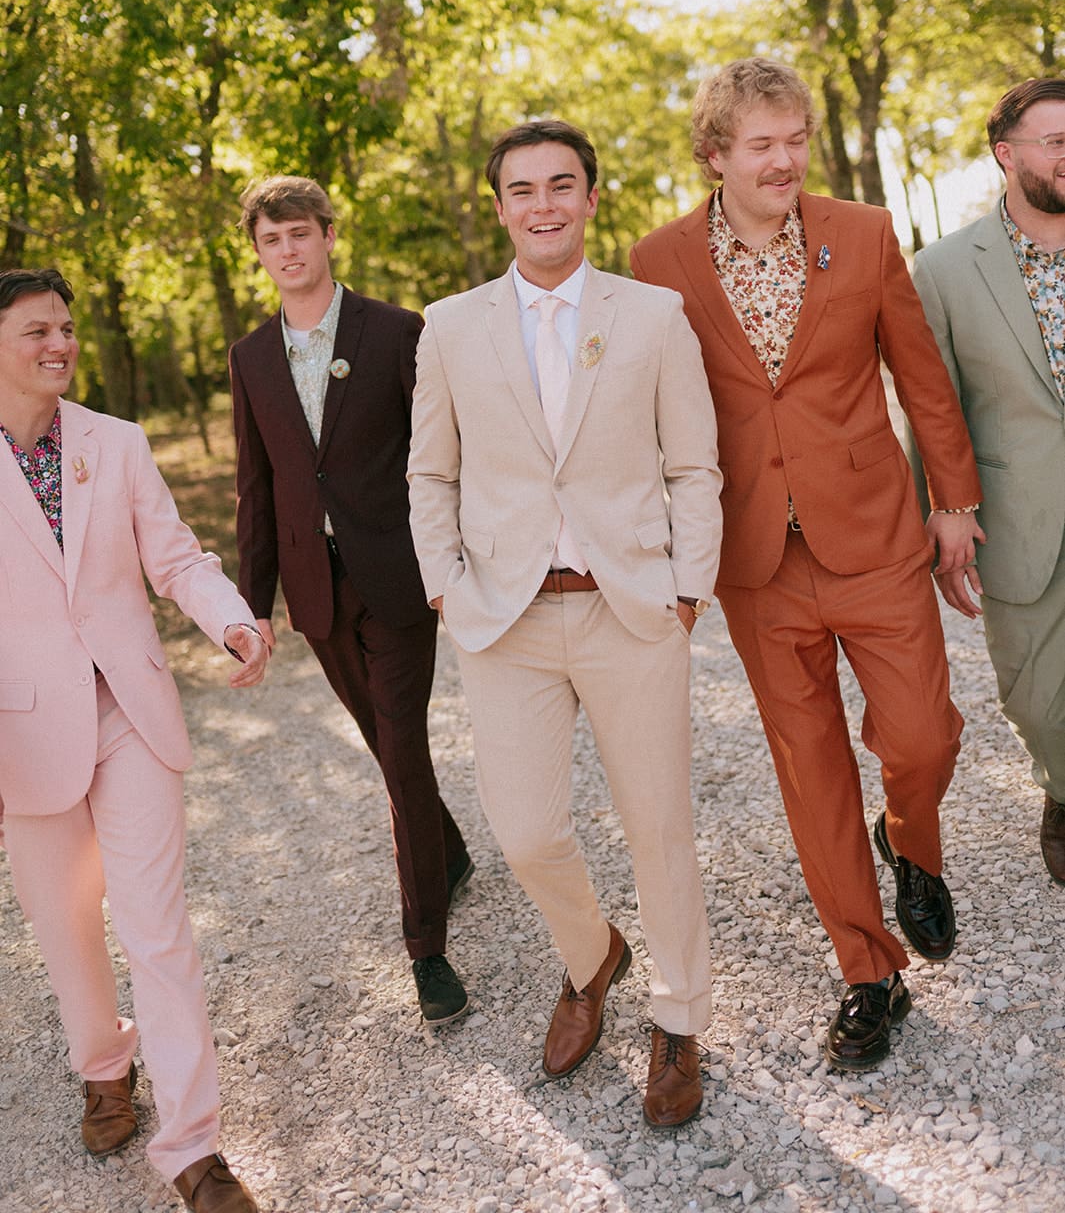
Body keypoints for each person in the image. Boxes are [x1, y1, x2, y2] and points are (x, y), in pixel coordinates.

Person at [631, 58, 981, 1072]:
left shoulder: (864, 234)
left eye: (796, 140)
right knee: (807, 764)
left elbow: (922, 377)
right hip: (752, 559)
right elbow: (649, 413)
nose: (785, 161)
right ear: (715, 154)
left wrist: (953, 500)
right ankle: (868, 972)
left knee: (919, 734)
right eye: (762, 145)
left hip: (873, 533)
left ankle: (908, 833)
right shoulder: (657, 263)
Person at [407, 119, 722, 1127]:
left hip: (631, 611)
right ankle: (592, 956)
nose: (543, 204)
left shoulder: (656, 314)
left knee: (658, 826)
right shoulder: (450, 326)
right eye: (523, 189)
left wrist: (688, 589)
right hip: (505, 620)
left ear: (591, 197)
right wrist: (447, 587)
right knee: (528, 830)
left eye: (562, 185)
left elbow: (694, 466)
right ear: (498, 207)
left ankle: (678, 1018)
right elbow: (430, 473)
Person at [0, 268, 267, 1213]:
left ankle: (194, 1149)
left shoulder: (114, 443)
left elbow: (178, 557)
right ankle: (102, 1064)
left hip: (131, 716)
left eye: (66, 329)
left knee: (158, 928)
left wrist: (231, 621)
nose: (60, 344)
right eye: (38, 331)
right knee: (65, 925)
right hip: (20, 736)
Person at [229, 175, 472, 1026]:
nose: (288, 250)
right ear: (257, 252)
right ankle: (448, 849)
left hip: (398, 576)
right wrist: (251, 607)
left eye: (300, 233)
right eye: (271, 239)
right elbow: (254, 489)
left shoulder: (398, 330)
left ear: (329, 235)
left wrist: (454, 557)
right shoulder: (250, 358)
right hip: (314, 589)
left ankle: (427, 951)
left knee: (401, 749)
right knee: (380, 740)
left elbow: (440, 454)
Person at [912, 77, 1065, 884]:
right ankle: (1062, 786)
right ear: (1006, 154)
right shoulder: (940, 269)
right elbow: (929, 401)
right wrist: (943, 510)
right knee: (1035, 698)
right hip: (1018, 515)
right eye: (1055, 140)